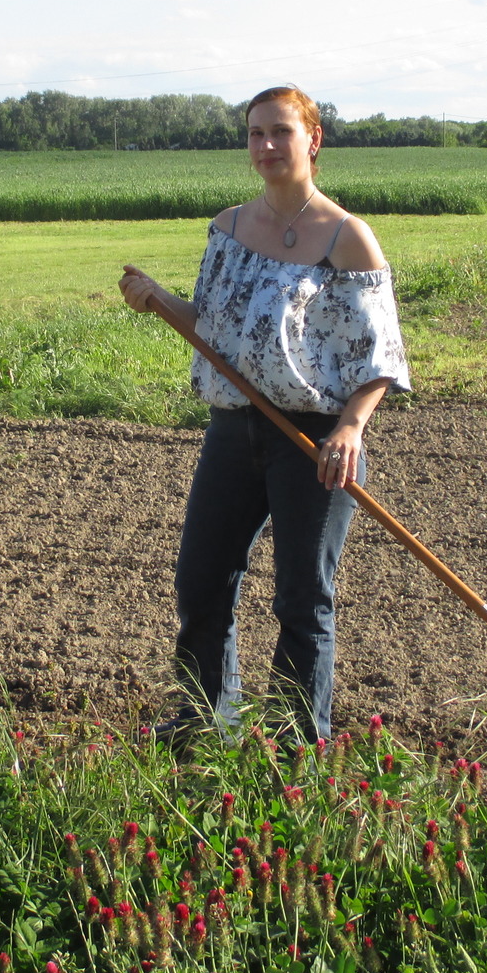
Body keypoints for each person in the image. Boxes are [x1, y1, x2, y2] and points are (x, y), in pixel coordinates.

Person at [118, 86, 409, 746]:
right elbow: (213, 329)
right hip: (232, 430)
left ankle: (295, 746)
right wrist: (159, 299)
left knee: (302, 601)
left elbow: (381, 358)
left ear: (314, 139)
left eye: (281, 132)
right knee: (202, 580)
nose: (267, 146)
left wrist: (350, 428)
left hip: (310, 440)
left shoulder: (347, 238)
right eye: (256, 134)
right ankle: (204, 726)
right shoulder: (227, 228)